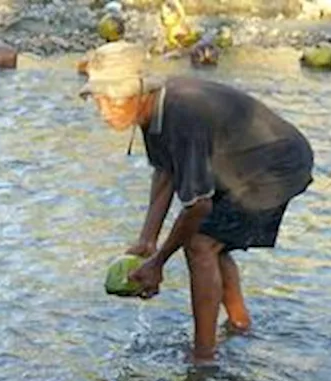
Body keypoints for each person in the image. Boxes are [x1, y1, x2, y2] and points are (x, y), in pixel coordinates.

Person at [79, 41, 315, 362]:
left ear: (138, 91)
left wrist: (158, 264)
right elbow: (165, 172)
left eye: (111, 99)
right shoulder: (154, 111)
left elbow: (198, 206)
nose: (104, 111)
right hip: (243, 164)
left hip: (276, 165)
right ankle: (239, 323)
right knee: (212, 241)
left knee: (201, 243)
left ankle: (203, 356)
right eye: (98, 101)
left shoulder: (181, 114)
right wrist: (147, 240)